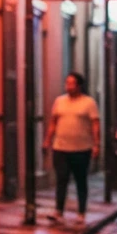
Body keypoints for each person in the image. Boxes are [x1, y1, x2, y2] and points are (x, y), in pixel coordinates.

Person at [42, 72, 100, 225]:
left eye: (71, 83)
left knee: (81, 180)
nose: (68, 86)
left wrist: (96, 144)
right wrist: (47, 140)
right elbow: (53, 122)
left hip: (82, 149)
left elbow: (95, 124)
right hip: (60, 148)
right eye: (66, 83)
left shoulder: (89, 103)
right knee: (61, 179)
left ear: (79, 85)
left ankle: (81, 212)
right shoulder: (59, 101)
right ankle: (58, 211)